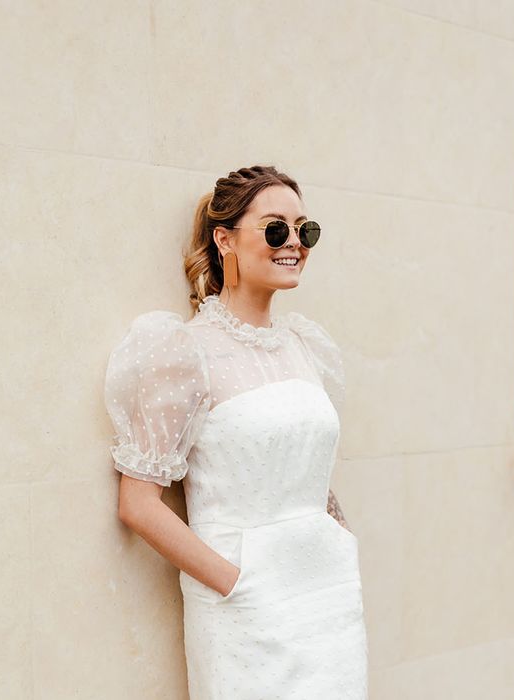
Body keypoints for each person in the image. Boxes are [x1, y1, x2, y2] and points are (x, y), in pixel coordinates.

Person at [103, 165, 369, 698]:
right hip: (243, 607)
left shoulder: (307, 347)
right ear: (224, 239)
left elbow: (304, 467)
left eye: (304, 230)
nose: (293, 242)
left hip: (327, 600)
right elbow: (138, 503)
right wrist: (236, 582)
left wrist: (337, 537)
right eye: (275, 229)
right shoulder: (185, 351)